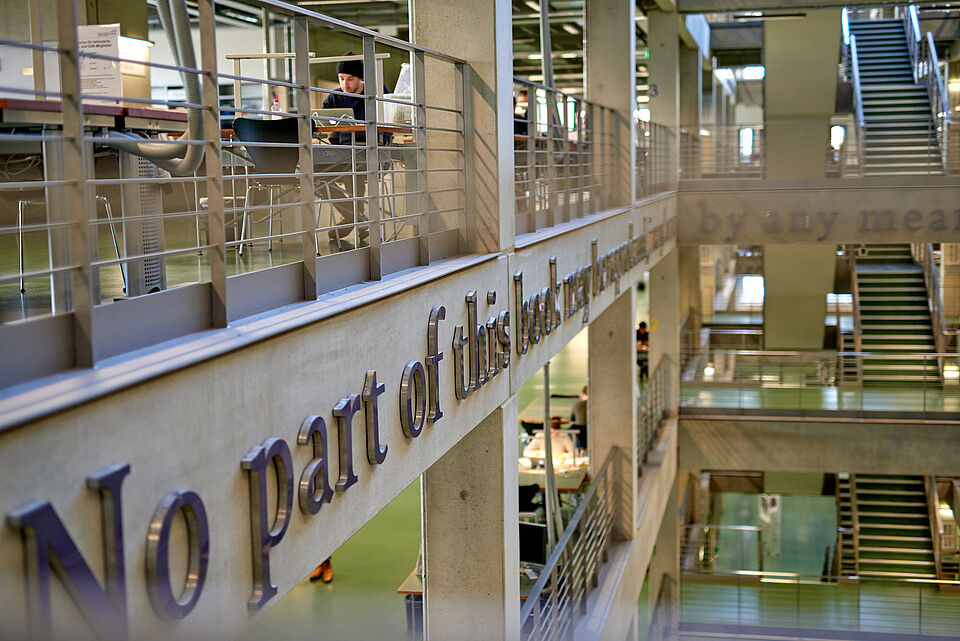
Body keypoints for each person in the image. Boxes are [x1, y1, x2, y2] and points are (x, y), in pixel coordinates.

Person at [320, 53, 388, 245]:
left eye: (350, 79)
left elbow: (387, 127)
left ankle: (353, 216)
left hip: (370, 152)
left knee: (353, 168)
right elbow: (324, 126)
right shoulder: (334, 97)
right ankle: (354, 215)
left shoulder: (377, 92)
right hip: (342, 155)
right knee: (315, 174)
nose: (345, 84)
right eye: (341, 79)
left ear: (361, 78)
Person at [570, 385, 588, 451]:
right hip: (588, 430)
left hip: (580, 430)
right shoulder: (594, 404)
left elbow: (572, 419)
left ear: (582, 394)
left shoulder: (577, 405)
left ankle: (576, 449)